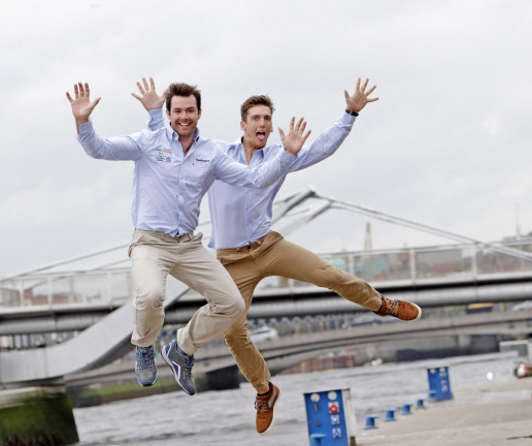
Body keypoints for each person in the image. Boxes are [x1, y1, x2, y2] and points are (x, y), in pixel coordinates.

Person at [135, 77, 422, 435]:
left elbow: (320, 149)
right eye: (255, 118)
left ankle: (383, 305)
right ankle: (264, 391)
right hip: (229, 259)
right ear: (243, 125)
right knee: (234, 332)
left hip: (268, 247)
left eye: (267, 118)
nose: (262, 124)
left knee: (329, 274)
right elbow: (175, 157)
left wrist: (350, 113)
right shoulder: (215, 156)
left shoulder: (279, 155)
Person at [66, 81, 310, 396]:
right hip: (150, 243)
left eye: (190, 110)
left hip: (189, 246)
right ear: (167, 113)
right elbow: (98, 149)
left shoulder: (211, 153)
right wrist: (82, 121)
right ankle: (143, 347)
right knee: (152, 294)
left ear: (199, 113)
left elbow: (255, 179)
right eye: (177, 110)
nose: (184, 116)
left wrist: (287, 155)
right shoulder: (148, 142)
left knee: (231, 304)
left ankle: (181, 349)